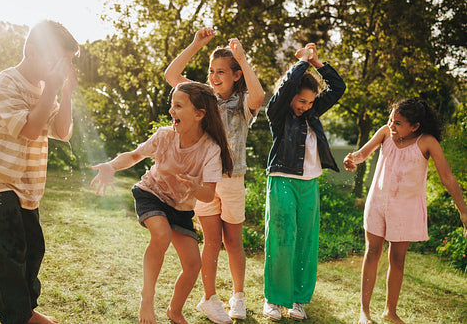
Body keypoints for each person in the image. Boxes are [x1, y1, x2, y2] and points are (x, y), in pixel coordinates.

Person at [90, 82, 233, 324]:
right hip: (152, 193)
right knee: (161, 235)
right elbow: (135, 155)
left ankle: (174, 310)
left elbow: (208, 195)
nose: (171, 111)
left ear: (199, 114)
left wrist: (196, 187)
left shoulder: (210, 149)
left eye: (178, 106)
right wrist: (111, 166)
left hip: (180, 208)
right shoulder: (165, 136)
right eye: (171, 105)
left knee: (192, 265)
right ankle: (148, 297)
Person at [0, 20, 79, 324]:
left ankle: (26, 311)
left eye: (66, 62)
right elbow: (31, 129)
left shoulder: (46, 89)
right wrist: (52, 90)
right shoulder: (4, 83)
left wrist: (65, 90)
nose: (61, 66)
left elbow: (61, 130)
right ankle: (17, 318)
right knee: (10, 253)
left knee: (33, 250)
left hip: (26, 186)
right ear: (32, 51)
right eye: (57, 58)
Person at [164, 27, 265, 323]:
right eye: (211, 70)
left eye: (221, 71)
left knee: (233, 241)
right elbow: (172, 75)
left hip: (232, 180)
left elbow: (258, 96)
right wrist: (196, 45)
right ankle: (209, 298)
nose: (213, 76)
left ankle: (238, 296)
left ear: (235, 75)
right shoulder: (204, 98)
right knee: (210, 241)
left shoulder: (243, 102)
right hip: (205, 180)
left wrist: (242, 59)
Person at [343, 98, 467, 324]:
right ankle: (365, 312)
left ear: (415, 126)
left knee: (397, 259)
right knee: (372, 252)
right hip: (378, 203)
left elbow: (447, 177)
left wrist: (464, 211)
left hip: (406, 210)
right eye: (391, 119)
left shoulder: (427, 142)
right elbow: (363, 153)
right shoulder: (384, 133)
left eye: (398, 123)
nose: (391, 125)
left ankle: (390, 311)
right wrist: (353, 160)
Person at [263, 43, 346, 321]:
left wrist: (318, 62)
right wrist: (302, 63)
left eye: (310, 102)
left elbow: (338, 88)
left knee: (306, 241)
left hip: (310, 183)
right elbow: (286, 89)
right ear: (290, 98)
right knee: (282, 238)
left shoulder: (312, 113)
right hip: (282, 180)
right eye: (301, 101)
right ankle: (274, 299)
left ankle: (297, 299)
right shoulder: (278, 113)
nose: (305, 106)